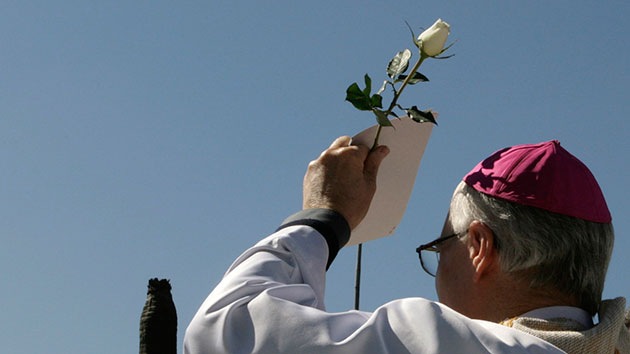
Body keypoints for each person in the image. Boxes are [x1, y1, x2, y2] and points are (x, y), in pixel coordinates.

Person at [184, 136, 630, 353]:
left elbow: (226, 333)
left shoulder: (441, 344)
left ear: (479, 247)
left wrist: (322, 218)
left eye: (441, 246)